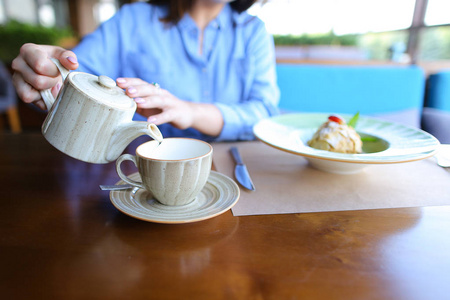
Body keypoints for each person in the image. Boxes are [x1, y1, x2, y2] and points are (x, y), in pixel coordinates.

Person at [11, 0, 279, 141]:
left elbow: (265, 113)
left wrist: (189, 111)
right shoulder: (132, 20)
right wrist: (46, 76)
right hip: (135, 168)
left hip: (232, 170)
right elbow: (74, 77)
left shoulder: (253, 32)